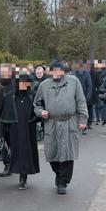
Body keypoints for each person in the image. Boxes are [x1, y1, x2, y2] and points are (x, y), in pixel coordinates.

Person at [34, 60, 88, 195]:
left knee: (67, 153)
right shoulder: (44, 85)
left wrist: (83, 119)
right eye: (54, 70)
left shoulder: (74, 82)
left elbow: (81, 101)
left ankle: (63, 182)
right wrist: (41, 112)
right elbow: (37, 104)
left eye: (59, 69)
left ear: (63, 71)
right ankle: (58, 174)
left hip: (69, 122)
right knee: (52, 153)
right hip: (51, 123)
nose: (56, 72)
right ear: (51, 71)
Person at [2, 72, 40, 189]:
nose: (23, 85)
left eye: (25, 82)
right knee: (17, 152)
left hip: (29, 129)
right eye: (21, 82)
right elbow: (6, 113)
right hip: (15, 130)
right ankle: (18, 173)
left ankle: (24, 177)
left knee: (27, 153)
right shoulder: (11, 96)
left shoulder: (32, 96)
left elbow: (38, 109)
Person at [0, 63, 15, 177]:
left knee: (14, 143)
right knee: (3, 142)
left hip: (14, 119)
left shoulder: (16, 85)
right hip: (0, 119)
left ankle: (14, 164)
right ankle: (7, 165)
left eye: (6, 72)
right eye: (2, 72)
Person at [74, 61, 92, 134]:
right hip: (75, 96)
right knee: (76, 112)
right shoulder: (74, 74)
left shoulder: (86, 74)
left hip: (84, 96)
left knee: (83, 112)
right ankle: (77, 127)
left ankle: (84, 127)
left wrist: (88, 97)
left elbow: (89, 86)